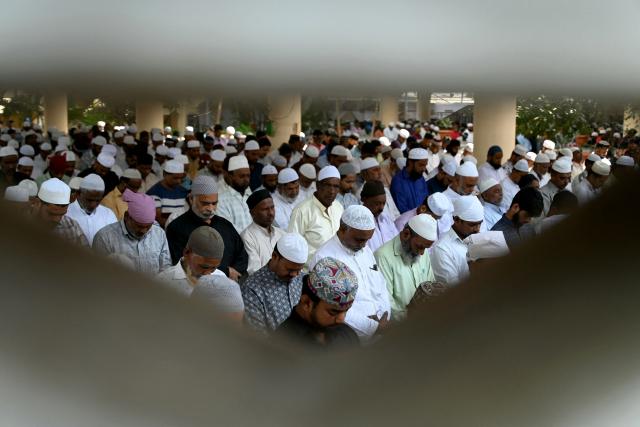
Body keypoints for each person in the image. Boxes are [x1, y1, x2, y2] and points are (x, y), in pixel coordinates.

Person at [310, 205, 391, 341]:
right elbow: (332, 307)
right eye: (359, 240)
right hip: (350, 338)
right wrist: (372, 327)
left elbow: (381, 285)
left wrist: (385, 316)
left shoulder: (365, 251)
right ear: (342, 229)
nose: (364, 245)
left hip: (381, 330)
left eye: (367, 240)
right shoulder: (324, 259)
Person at [166, 175, 248, 281]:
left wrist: (234, 273)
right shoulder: (177, 227)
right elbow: (182, 261)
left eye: (214, 203)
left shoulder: (225, 225)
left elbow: (242, 254)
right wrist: (226, 272)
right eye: (205, 203)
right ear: (191, 199)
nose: (210, 209)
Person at [276, 257, 360, 349]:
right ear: (306, 303)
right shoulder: (283, 344)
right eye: (333, 312)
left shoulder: (346, 334)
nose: (341, 319)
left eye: (345, 311)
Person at [242, 233, 308, 335]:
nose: (295, 275)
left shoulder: (304, 279)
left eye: (299, 270)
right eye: (290, 269)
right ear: (274, 256)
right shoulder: (252, 289)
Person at [93, 190, 171, 274]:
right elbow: (100, 274)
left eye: (148, 226)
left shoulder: (159, 234)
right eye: (139, 226)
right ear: (127, 216)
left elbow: (165, 270)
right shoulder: (105, 238)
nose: (143, 231)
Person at [375, 214, 438, 320]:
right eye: (420, 247)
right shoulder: (382, 256)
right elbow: (387, 302)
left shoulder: (423, 252)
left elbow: (430, 284)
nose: (422, 253)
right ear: (406, 234)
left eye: (425, 248)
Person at [288, 165, 344, 265]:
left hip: (337, 271)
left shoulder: (338, 207)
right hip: (309, 272)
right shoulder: (302, 211)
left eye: (336, 187)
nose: (332, 191)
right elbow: (293, 247)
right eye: (327, 185)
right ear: (318, 185)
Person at [157, 226, 227, 296]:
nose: (208, 274)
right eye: (204, 267)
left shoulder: (221, 278)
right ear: (186, 252)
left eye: (213, 268)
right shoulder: (163, 282)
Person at [431, 195, 483, 286]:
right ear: (456, 220)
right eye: (472, 225)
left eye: (480, 224)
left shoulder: (478, 238)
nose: (477, 229)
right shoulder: (442, 249)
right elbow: (453, 293)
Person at [241, 189, 285, 275]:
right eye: (265, 209)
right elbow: (254, 271)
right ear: (252, 213)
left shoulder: (282, 234)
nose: (271, 213)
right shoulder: (247, 237)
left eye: (272, 207)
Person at [35, 178, 89, 247]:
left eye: (61, 214)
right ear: (37, 203)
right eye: (52, 214)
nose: (57, 220)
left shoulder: (72, 226)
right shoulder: (22, 223)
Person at [65, 174, 117, 245]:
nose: (93, 205)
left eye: (97, 200)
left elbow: (114, 243)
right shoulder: (66, 213)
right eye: (89, 200)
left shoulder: (108, 214)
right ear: (79, 193)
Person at [146, 159, 189, 228]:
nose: (178, 181)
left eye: (180, 178)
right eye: (175, 178)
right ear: (164, 174)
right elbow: (158, 220)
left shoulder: (183, 191)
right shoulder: (154, 193)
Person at [217, 155, 253, 233]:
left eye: (248, 176)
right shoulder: (221, 201)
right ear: (230, 176)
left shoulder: (251, 195)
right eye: (242, 176)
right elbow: (228, 229)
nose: (246, 180)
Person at [360, 181, 398, 252]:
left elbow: (397, 241)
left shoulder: (386, 219)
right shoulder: (359, 221)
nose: (381, 208)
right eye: (377, 204)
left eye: (383, 203)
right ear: (364, 199)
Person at [390, 148, 429, 213]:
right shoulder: (398, 181)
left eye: (425, 165)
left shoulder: (420, 178)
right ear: (410, 162)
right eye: (421, 165)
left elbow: (426, 200)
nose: (424, 169)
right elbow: (401, 210)